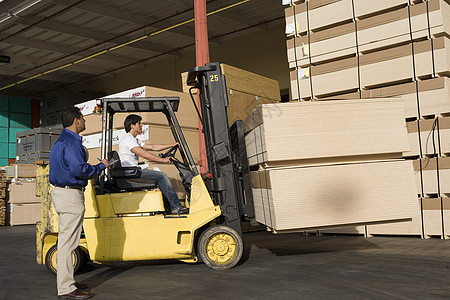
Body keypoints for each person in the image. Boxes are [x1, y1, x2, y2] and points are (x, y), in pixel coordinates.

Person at [49, 107, 109, 300]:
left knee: (68, 241)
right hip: (70, 195)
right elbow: (79, 169)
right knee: (67, 243)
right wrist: (101, 166)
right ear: (76, 120)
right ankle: (66, 288)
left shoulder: (61, 141)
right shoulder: (72, 141)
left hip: (62, 193)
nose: (85, 122)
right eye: (83, 118)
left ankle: (68, 281)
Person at [118, 114, 188, 215]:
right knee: (162, 176)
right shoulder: (128, 139)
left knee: (159, 177)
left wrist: (171, 145)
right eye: (139, 123)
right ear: (132, 126)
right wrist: (163, 160)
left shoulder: (134, 139)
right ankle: (176, 207)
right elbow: (144, 154)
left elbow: (152, 147)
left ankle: (168, 208)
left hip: (133, 171)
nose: (141, 125)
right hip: (131, 173)